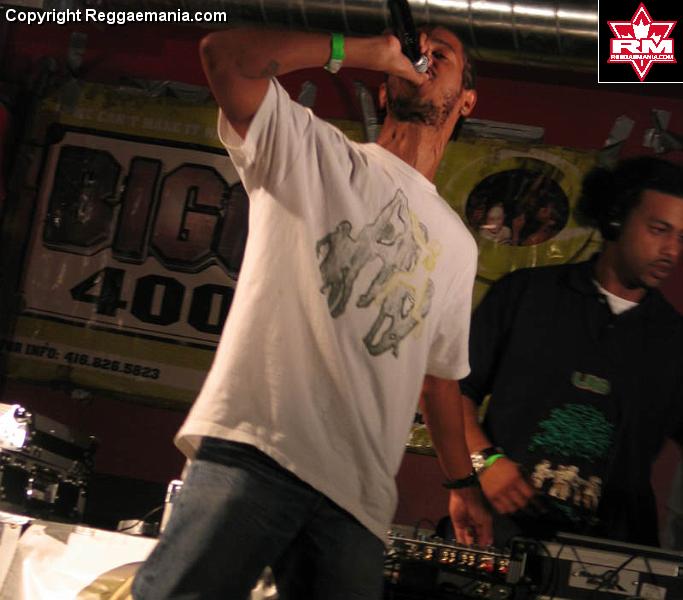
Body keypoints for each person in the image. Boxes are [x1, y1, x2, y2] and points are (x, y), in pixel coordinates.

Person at [132, 24, 492, 600]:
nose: (423, 53)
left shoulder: (457, 244)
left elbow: (439, 380)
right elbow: (225, 54)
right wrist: (363, 51)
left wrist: (462, 484)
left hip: (358, 497)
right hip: (257, 450)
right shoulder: (312, 148)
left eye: (441, 53)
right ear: (384, 89)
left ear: (467, 101)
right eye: (415, 48)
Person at [460, 156, 683, 548]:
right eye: (659, 230)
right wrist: (485, 461)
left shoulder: (674, 339)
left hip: (617, 556)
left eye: (682, 237)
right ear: (614, 220)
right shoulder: (526, 295)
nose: (672, 250)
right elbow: (453, 392)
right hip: (500, 536)